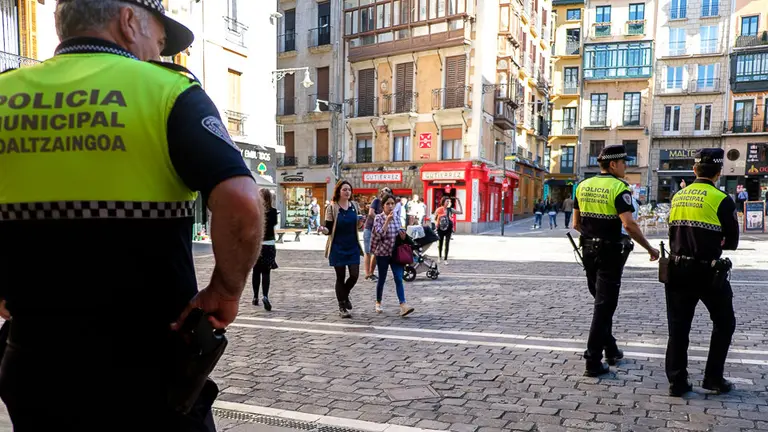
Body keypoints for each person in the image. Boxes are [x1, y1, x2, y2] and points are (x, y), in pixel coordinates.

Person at [0, 0, 264, 430]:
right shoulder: (168, 93)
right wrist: (226, 289)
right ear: (127, 21)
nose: (158, 56)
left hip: (36, 369)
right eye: (159, 43)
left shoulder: (5, 94)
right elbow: (242, 200)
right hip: (149, 375)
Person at [573, 144, 659, 377]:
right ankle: (593, 360)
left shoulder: (582, 185)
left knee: (601, 301)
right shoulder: (620, 188)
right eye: (624, 163)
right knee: (604, 306)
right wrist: (650, 247)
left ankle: (610, 349)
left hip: (588, 251)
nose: (626, 167)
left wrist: (592, 236)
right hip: (611, 253)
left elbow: (575, 224)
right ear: (613, 164)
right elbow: (629, 224)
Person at [664, 148, 739, 397]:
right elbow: (732, 242)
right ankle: (713, 377)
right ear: (718, 173)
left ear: (695, 170)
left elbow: (671, 230)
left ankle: (677, 381)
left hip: (676, 268)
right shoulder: (722, 199)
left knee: (678, 327)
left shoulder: (678, 196)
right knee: (724, 322)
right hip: (707, 272)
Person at [320, 180, 364, 318]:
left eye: (349, 190)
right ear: (338, 191)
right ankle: (342, 306)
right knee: (340, 277)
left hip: (352, 245)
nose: (347, 192)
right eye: (344, 189)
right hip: (337, 246)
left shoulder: (354, 206)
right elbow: (328, 228)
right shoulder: (332, 207)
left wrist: (360, 224)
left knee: (354, 275)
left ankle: (344, 295)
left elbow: (356, 227)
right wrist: (323, 229)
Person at [371, 194, 416, 317]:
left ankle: (403, 304)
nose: (390, 206)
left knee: (398, 277)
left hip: (395, 252)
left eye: (392, 204)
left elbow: (399, 231)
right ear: (383, 205)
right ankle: (378, 301)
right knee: (382, 278)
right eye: (388, 204)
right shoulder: (379, 218)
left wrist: (402, 235)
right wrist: (387, 221)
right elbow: (379, 234)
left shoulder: (396, 217)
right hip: (382, 253)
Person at [253, 189, 279, 311]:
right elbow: (273, 224)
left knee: (256, 271)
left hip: (256, 244)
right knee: (266, 271)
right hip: (269, 244)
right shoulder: (273, 212)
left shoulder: (254, 211)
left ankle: (255, 297)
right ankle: (265, 296)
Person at [362, 187, 391, 282]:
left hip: (379, 230)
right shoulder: (376, 201)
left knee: (376, 252)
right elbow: (371, 213)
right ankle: (367, 273)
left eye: (387, 191)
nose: (385, 192)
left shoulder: (387, 205)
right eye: (384, 190)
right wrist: (380, 220)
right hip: (370, 227)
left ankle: (371, 272)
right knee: (368, 251)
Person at [434, 195, 463, 264]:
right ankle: (439, 257)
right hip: (440, 228)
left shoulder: (450, 210)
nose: (448, 202)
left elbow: (461, 212)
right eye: (447, 201)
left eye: (449, 201)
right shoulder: (439, 209)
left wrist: (459, 202)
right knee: (440, 243)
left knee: (447, 243)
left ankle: (445, 259)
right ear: (443, 202)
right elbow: (435, 218)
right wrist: (436, 225)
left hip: (449, 228)